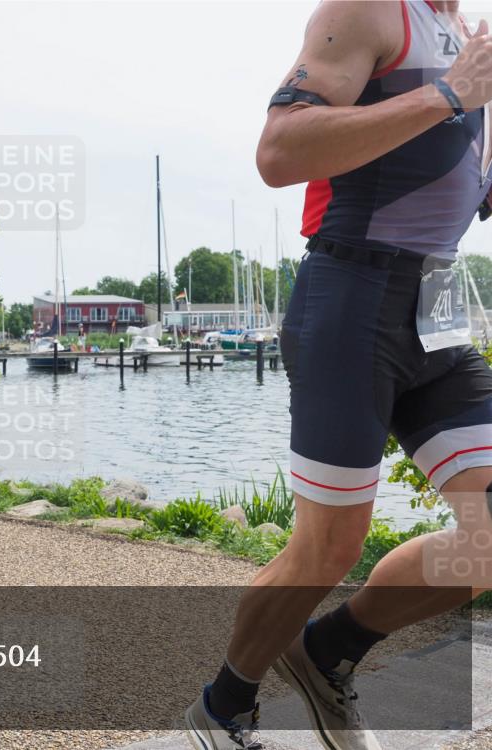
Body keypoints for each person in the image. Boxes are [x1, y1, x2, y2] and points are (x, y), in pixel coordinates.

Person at [186, 2, 492, 749]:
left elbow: (449, 179)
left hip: (438, 308)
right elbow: (280, 151)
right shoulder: (370, 11)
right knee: (328, 546)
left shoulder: (471, 33)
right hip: (350, 299)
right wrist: (448, 95)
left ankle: (327, 652)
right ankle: (223, 708)